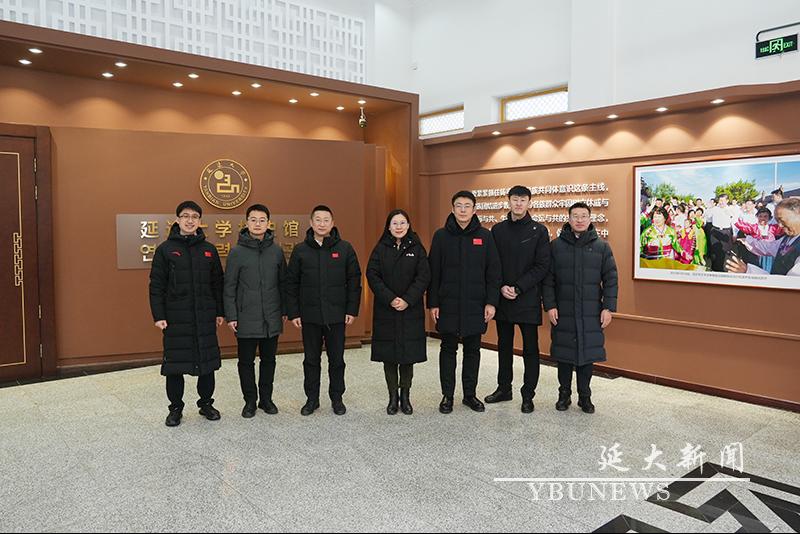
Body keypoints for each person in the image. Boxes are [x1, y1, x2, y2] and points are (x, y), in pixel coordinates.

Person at [149, 201, 225, 427]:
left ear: (200, 221)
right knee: (175, 365)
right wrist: (159, 315)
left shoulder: (209, 250)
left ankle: (206, 404)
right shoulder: (165, 249)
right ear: (177, 220)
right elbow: (156, 285)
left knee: (207, 364)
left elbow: (218, 284)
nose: (190, 220)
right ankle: (175, 409)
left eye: (194, 216)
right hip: (176, 317)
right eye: (185, 216)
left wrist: (220, 311)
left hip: (204, 315)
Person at [428, 190, 501, 414]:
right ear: (452, 209)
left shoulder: (485, 236)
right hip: (448, 304)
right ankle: (447, 396)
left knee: (473, 350)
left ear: (474, 209)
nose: (462, 210)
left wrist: (491, 302)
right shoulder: (441, 236)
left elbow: (494, 272)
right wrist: (433, 303)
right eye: (458, 206)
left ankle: (470, 395)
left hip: (475, 304)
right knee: (447, 349)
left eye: (467, 206)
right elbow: (433, 272)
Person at [543, 202, 618, 414]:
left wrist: (608, 308)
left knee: (587, 356)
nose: (579, 220)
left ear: (590, 219)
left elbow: (611, 279)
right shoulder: (556, 246)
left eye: (583, 216)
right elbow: (548, 280)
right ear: (568, 219)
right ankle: (564, 395)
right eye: (575, 216)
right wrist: (550, 306)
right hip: (563, 311)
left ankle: (585, 397)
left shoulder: (602, 247)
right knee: (564, 355)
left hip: (591, 312)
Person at [286, 205, 362, 416]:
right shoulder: (301, 250)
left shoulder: (345, 248)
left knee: (337, 360)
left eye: (326, 220)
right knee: (311, 360)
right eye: (317, 220)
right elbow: (291, 283)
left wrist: (352, 309)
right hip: (309, 316)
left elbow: (354, 281)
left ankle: (337, 398)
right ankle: (312, 399)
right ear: (311, 223)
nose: (322, 224)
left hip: (337, 316)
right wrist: (294, 312)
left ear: (332, 223)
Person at [484, 185, 550, 413]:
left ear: (529, 203)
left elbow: (542, 266)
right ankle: (504, 388)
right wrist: (502, 286)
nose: (518, 203)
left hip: (528, 298)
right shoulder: (497, 230)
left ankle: (528, 394)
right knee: (504, 346)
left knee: (530, 349)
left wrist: (519, 287)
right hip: (503, 297)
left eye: (523, 200)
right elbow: (493, 264)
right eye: (515, 199)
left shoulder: (539, 231)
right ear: (509, 201)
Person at [224, 204, 287, 418]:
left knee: (269, 361)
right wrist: (231, 315)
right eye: (253, 220)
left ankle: (266, 400)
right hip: (245, 317)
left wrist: (284, 310)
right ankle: (250, 401)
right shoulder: (236, 252)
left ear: (268, 223)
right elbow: (229, 286)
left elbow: (283, 283)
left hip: (271, 316)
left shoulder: (276, 251)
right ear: (246, 222)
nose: (257, 224)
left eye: (262, 220)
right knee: (246, 362)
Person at [366, 209, 431, 415]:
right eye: (395, 223)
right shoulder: (380, 248)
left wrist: (407, 299)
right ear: (388, 227)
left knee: (408, 356)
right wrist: (391, 298)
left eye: (403, 223)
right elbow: (372, 275)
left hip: (410, 310)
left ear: (408, 225)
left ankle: (406, 396)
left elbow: (423, 276)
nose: (399, 227)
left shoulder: (417, 248)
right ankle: (393, 397)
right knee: (389, 356)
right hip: (387, 310)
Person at [727, 198, 800, 276]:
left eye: (782, 220)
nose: (780, 225)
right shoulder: (787, 238)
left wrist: (749, 270)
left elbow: (790, 281)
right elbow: (768, 247)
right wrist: (748, 240)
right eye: (778, 221)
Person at [706, 194, 737, 271]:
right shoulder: (714, 209)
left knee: (724, 251)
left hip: (725, 232)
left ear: (727, 201)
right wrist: (709, 209)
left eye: (723, 200)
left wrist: (735, 234)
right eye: (720, 200)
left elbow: (734, 223)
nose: (721, 202)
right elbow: (708, 219)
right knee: (714, 251)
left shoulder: (731, 210)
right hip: (715, 231)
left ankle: (722, 269)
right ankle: (715, 268)